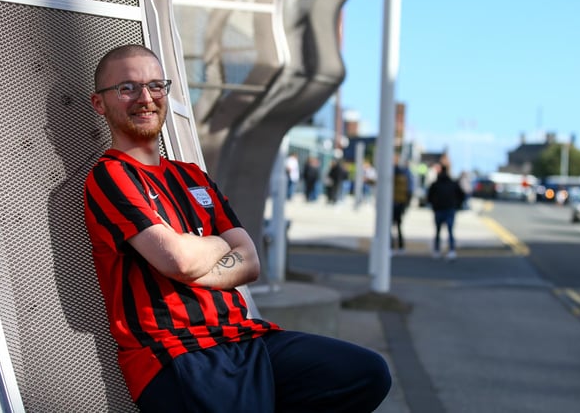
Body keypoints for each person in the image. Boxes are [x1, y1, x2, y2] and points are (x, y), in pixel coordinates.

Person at [84, 44, 391, 412]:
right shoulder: (110, 176)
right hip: (176, 353)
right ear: (99, 103)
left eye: (155, 86)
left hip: (246, 339)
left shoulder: (191, 176)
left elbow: (249, 262)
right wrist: (213, 244)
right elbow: (178, 261)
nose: (145, 98)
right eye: (127, 88)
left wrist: (194, 250)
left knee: (366, 373)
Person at [427, 164, 466, 260]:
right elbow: (462, 195)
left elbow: (429, 197)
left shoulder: (436, 183)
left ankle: (437, 250)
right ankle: (451, 250)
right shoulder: (452, 183)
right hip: (449, 209)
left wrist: (434, 205)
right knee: (450, 231)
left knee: (438, 231)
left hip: (439, 209)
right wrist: (457, 205)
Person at [392, 156, 414, 253]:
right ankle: (401, 246)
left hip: (393, 203)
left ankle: (391, 246)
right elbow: (410, 190)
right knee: (399, 225)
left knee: (391, 226)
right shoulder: (407, 175)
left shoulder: (392, 175)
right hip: (401, 203)